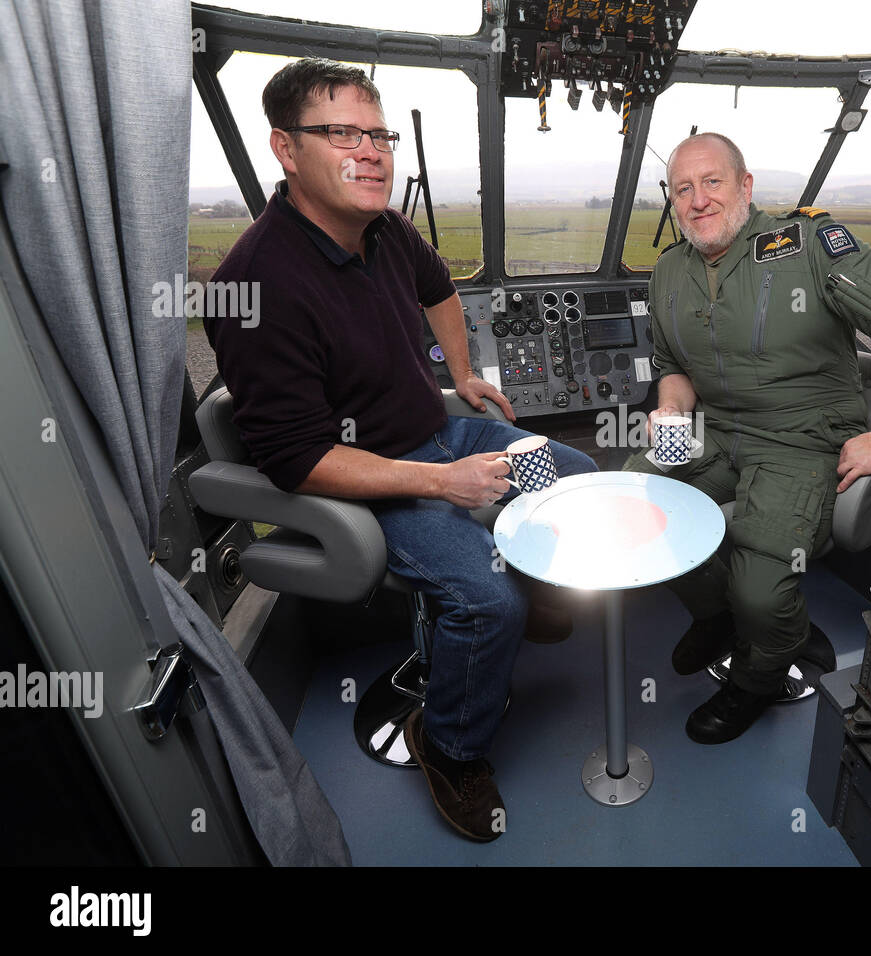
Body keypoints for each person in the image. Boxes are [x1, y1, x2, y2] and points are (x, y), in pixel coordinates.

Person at [205, 58, 597, 842]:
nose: (373, 151)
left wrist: (464, 373)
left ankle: (530, 610)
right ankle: (448, 746)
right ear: (287, 150)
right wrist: (440, 483)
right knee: (489, 601)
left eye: (378, 133)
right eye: (342, 132)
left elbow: (441, 290)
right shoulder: (255, 286)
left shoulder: (384, 228)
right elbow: (296, 457)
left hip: (443, 433)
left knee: (577, 479)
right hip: (369, 483)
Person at [623, 132, 871, 744]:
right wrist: (672, 410)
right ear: (672, 202)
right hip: (718, 431)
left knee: (760, 584)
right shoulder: (669, 272)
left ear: (745, 186)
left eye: (713, 182)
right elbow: (670, 364)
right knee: (643, 503)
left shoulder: (807, 245)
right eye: (683, 189)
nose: (698, 200)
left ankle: (757, 675)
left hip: (804, 438)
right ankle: (715, 615)